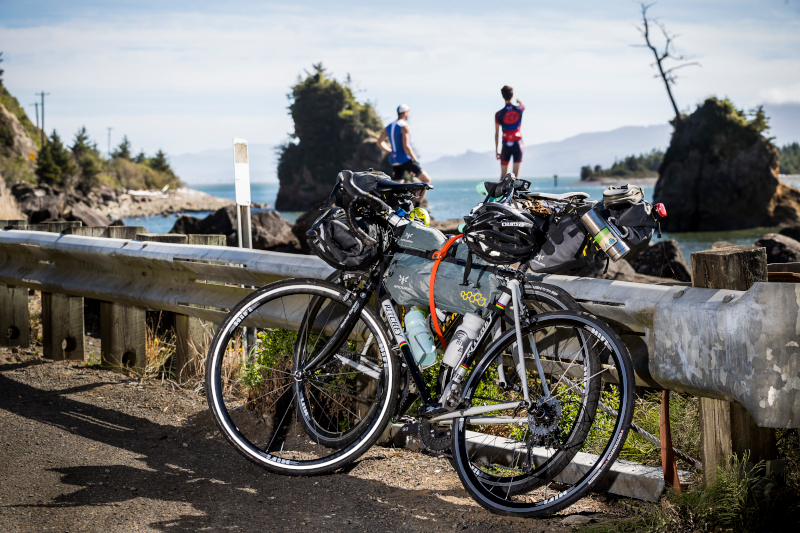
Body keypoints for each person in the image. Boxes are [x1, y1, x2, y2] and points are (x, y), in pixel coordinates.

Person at [377, 104, 432, 203]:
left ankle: (394, 209)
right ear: (406, 113)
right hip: (405, 160)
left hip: (394, 161)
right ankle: (416, 208)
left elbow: (379, 142)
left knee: (397, 187)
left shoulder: (388, 126)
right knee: (426, 180)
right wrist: (415, 159)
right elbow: (406, 147)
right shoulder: (404, 126)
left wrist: (390, 151)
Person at [495, 86, 524, 179]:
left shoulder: (499, 114)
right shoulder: (519, 109)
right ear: (512, 95)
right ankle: (514, 194)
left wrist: (497, 150)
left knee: (503, 177)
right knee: (516, 177)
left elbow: (497, 134)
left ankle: (500, 194)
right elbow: (523, 106)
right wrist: (519, 101)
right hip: (518, 143)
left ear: (503, 96)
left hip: (506, 144)